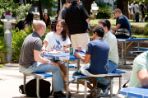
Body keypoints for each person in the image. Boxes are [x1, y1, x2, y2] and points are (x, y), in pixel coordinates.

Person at [19, 20, 66, 98]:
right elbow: (37, 58)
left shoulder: (29, 36)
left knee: (51, 64)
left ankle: (55, 90)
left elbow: (35, 56)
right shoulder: (37, 40)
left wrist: (46, 60)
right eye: (44, 28)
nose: (45, 30)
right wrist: (49, 62)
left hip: (22, 66)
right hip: (29, 67)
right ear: (41, 28)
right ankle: (58, 92)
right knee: (56, 68)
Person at [74, 27, 110, 97]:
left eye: (92, 34)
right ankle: (95, 91)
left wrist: (78, 55)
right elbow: (98, 56)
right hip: (105, 70)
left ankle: (94, 89)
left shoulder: (91, 44)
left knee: (76, 75)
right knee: (91, 69)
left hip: (94, 71)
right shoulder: (106, 44)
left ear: (95, 33)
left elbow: (86, 61)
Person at [42, 19, 71, 86]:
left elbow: (68, 48)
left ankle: (64, 87)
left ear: (64, 28)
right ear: (55, 26)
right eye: (58, 26)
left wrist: (67, 49)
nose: (59, 28)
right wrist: (43, 49)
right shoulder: (50, 35)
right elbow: (44, 46)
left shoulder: (65, 36)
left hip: (59, 58)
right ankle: (62, 88)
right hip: (49, 58)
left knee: (65, 70)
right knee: (59, 69)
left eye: (61, 26)